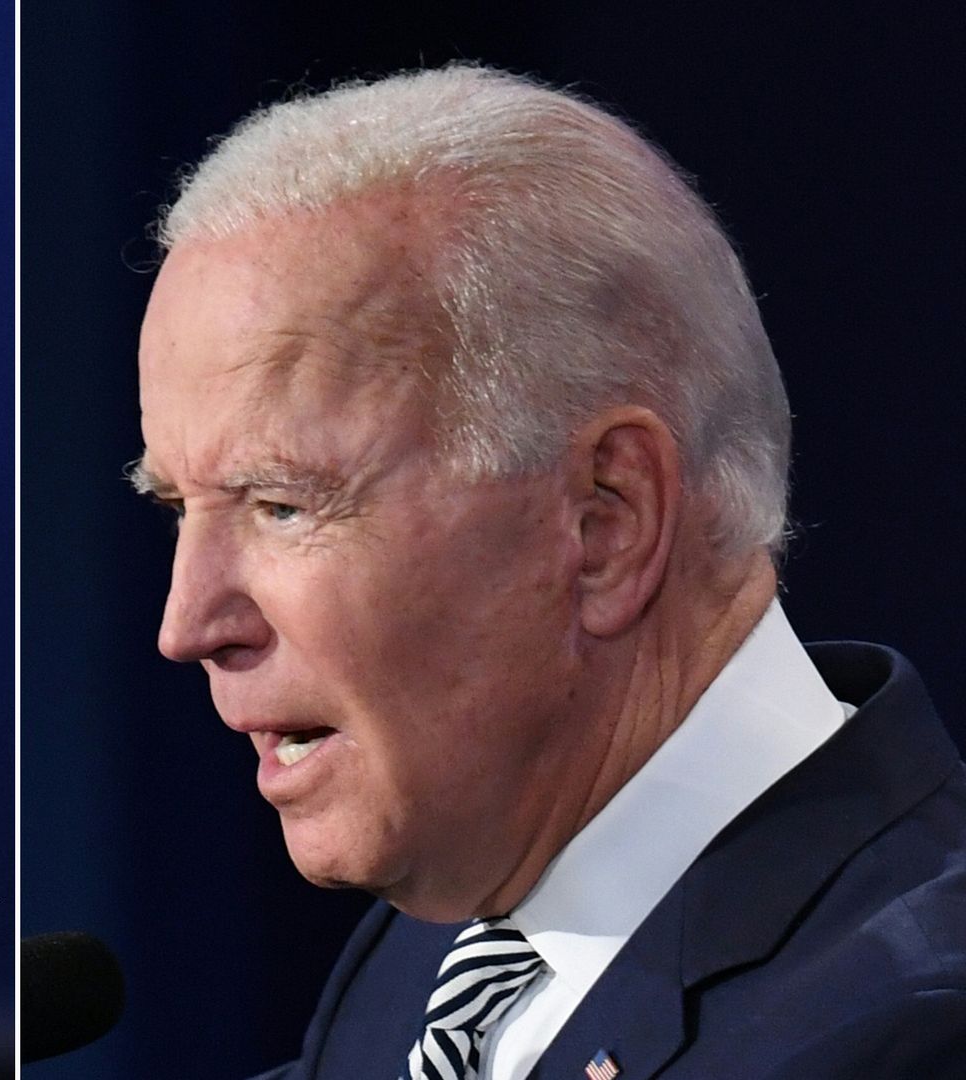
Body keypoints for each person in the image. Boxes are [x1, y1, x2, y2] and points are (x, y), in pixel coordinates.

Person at [130, 64, 966, 1079]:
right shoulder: (453, 927)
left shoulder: (909, 1030)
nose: (188, 621)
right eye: (181, 507)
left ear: (604, 522)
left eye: (282, 505)